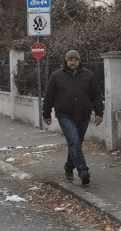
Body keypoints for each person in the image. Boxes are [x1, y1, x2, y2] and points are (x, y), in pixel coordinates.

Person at [42, 50, 104, 186]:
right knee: (74, 141)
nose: (73, 63)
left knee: (76, 144)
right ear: (66, 61)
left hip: (83, 115)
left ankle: (69, 168)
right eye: (71, 60)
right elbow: (49, 96)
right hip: (65, 115)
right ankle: (83, 171)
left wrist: (99, 112)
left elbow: (96, 95)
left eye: (76, 60)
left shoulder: (88, 76)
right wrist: (46, 114)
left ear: (79, 62)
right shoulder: (56, 76)